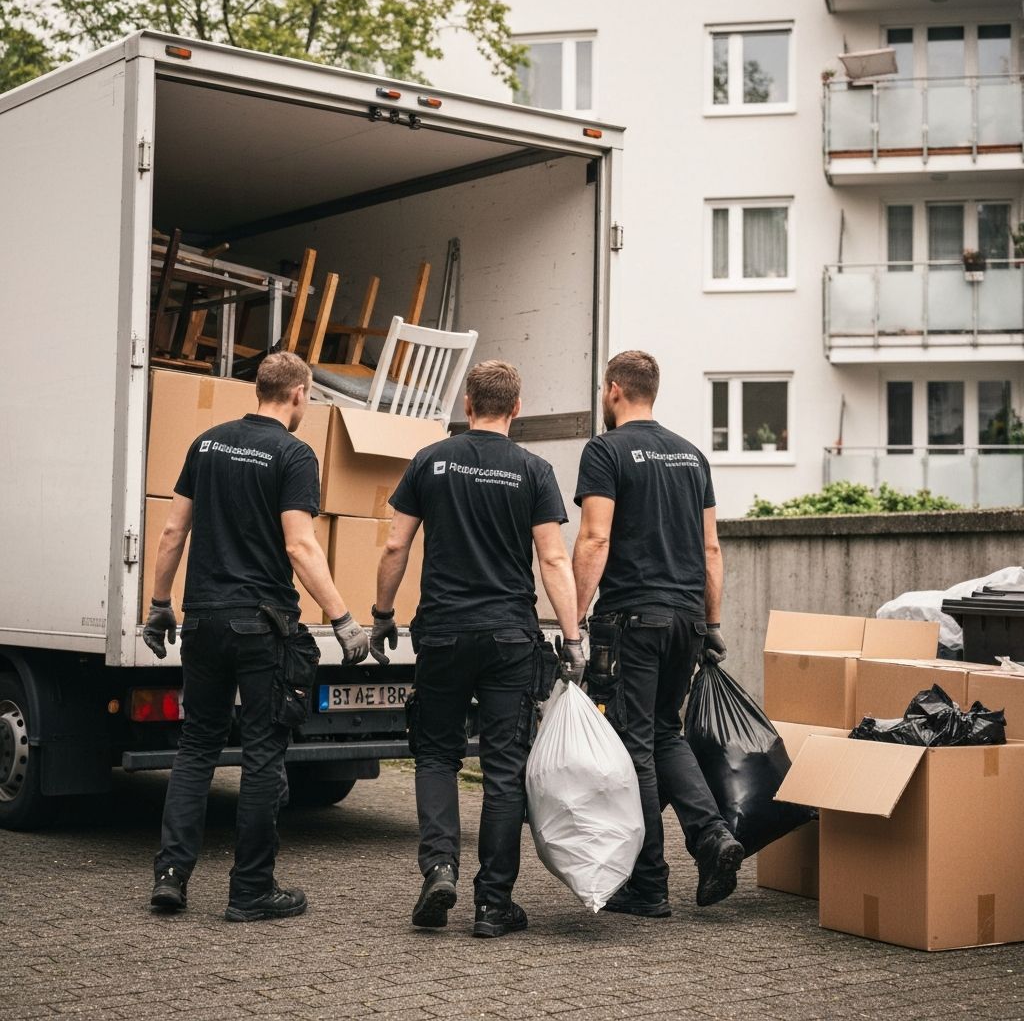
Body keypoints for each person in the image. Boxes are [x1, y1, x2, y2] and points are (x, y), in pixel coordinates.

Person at [143, 351, 370, 922]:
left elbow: (173, 530)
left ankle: (171, 878)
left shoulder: (207, 443)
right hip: (262, 624)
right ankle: (250, 891)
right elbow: (299, 545)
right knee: (264, 754)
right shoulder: (294, 454)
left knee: (196, 747)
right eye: (310, 397)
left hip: (202, 620)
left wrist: (159, 605)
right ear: (296, 394)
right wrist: (342, 617)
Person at [369, 360, 585, 939]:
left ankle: (439, 867)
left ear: (468, 404)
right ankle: (492, 905)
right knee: (503, 769)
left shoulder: (430, 460)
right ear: (517, 407)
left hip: (440, 632)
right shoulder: (534, 469)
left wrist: (382, 615)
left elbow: (396, 547)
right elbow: (554, 560)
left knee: (437, 755)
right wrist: (572, 637)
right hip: (510, 637)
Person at [571, 350, 740, 918]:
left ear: (614, 390)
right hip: (687, 620)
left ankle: (648, 882)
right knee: (666, 734)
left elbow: (595, 540)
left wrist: (573, 619)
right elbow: (712, 548)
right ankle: (713, 837)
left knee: (635, 745)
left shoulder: (605, 449)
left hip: (633, 622)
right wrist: (712, 623)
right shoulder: (692, 456)